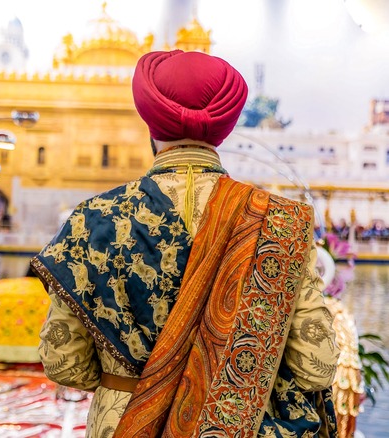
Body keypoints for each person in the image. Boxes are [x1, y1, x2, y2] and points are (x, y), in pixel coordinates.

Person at [32, 50, 339, 437]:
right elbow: (317, 366)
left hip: (125, 422)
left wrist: (133, 380)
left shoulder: (94, 220)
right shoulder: (278, 220)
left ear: (149, 122)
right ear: (224, 129)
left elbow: (65, 364)